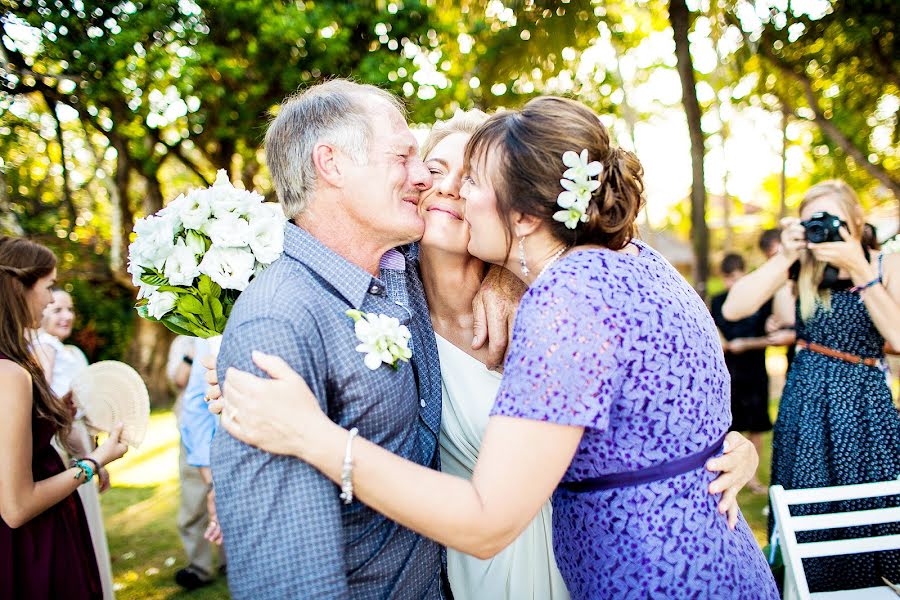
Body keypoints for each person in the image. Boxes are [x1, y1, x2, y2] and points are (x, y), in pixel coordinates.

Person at [215, 96, 779, 599]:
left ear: (527, 214)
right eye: (436, 171)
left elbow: (488, 519)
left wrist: (315, 437)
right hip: (707, 559)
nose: (450, 191)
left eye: (473, 182)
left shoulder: (563, 298)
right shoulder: (633, 260)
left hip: (650, 575)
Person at [209, 80, 522, 599]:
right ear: (331, 164)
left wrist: (508, 275)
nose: (423, 178)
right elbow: (289, 581)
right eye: (403, 156)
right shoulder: (276, 325)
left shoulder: (396, 271)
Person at [723, 180, 900, 592]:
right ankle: (808, 587)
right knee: (806, 504)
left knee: (869, 505)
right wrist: (787, 255)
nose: (820, 229)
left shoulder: (884, 265)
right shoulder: (800, 270)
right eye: (810, 222)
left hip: (863, 407)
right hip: (805, 408)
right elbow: (734, 308)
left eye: (829, 219)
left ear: (855, 221)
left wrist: (857, 267)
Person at [0, 236, 128, 600]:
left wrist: (54, 413)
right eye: (49, 287)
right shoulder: (9, 374)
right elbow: (16, 505)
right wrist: (93, 462)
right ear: (18, 289)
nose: (50, 300)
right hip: (32, 547)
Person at [32, 289, 115, 599]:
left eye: (69, 308)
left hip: (80, 433)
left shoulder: (73, 353)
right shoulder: (43, 348)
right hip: (61, 437)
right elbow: (45, 402)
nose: (65, 316)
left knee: (89, 519)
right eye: (56, 310)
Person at [710, 254, 771, 494]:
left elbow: (769, 335)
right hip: (729, 371)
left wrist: (747, 343)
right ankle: (725, 474)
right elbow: (713, 327)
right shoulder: (718, 301)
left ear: (744, 273)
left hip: (754, 369)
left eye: (736, 277)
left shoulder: (760, 302)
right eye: (727, 278)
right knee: (729, 425)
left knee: (756, 426)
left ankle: (753, 478)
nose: (732, 284)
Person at [166, 336, 224, 590]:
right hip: (197, 437)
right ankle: (199, 566)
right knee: (194, 501)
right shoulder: (189, 339)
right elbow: (186, 389)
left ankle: (229, 560)